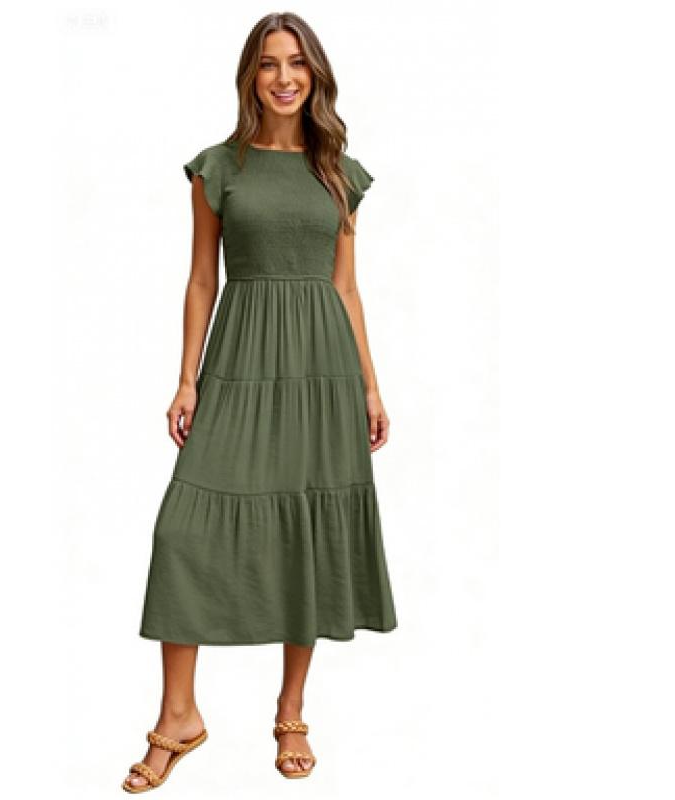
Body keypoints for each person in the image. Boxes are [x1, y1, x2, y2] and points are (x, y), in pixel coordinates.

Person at [122, 11, 398, 793]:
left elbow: (346, 288)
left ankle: (291, 713)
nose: (284, 77)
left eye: (297, 63)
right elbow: (201, 280)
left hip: (322, 370)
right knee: (184, 531)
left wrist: (371, 384)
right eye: (270, 63)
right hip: (240, 361)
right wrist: (187, 379)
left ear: (315, 75)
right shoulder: (219, 168)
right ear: (250, 75)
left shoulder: (339, 172)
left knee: (304, 526)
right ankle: (179, 716)